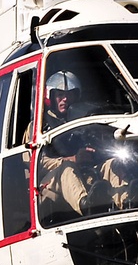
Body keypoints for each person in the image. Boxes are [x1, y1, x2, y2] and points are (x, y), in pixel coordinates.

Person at [38, 70, 127, 221]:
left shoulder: (85, 122)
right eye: (59, 94)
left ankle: (125, 203)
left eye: (70, 94)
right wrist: (73, 159)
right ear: (50, 97)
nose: (65, 99)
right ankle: (87, 206)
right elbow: (37, 163)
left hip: (87, 176)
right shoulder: (39, 126)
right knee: (67, 169)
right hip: (52, 183)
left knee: (111, 164)